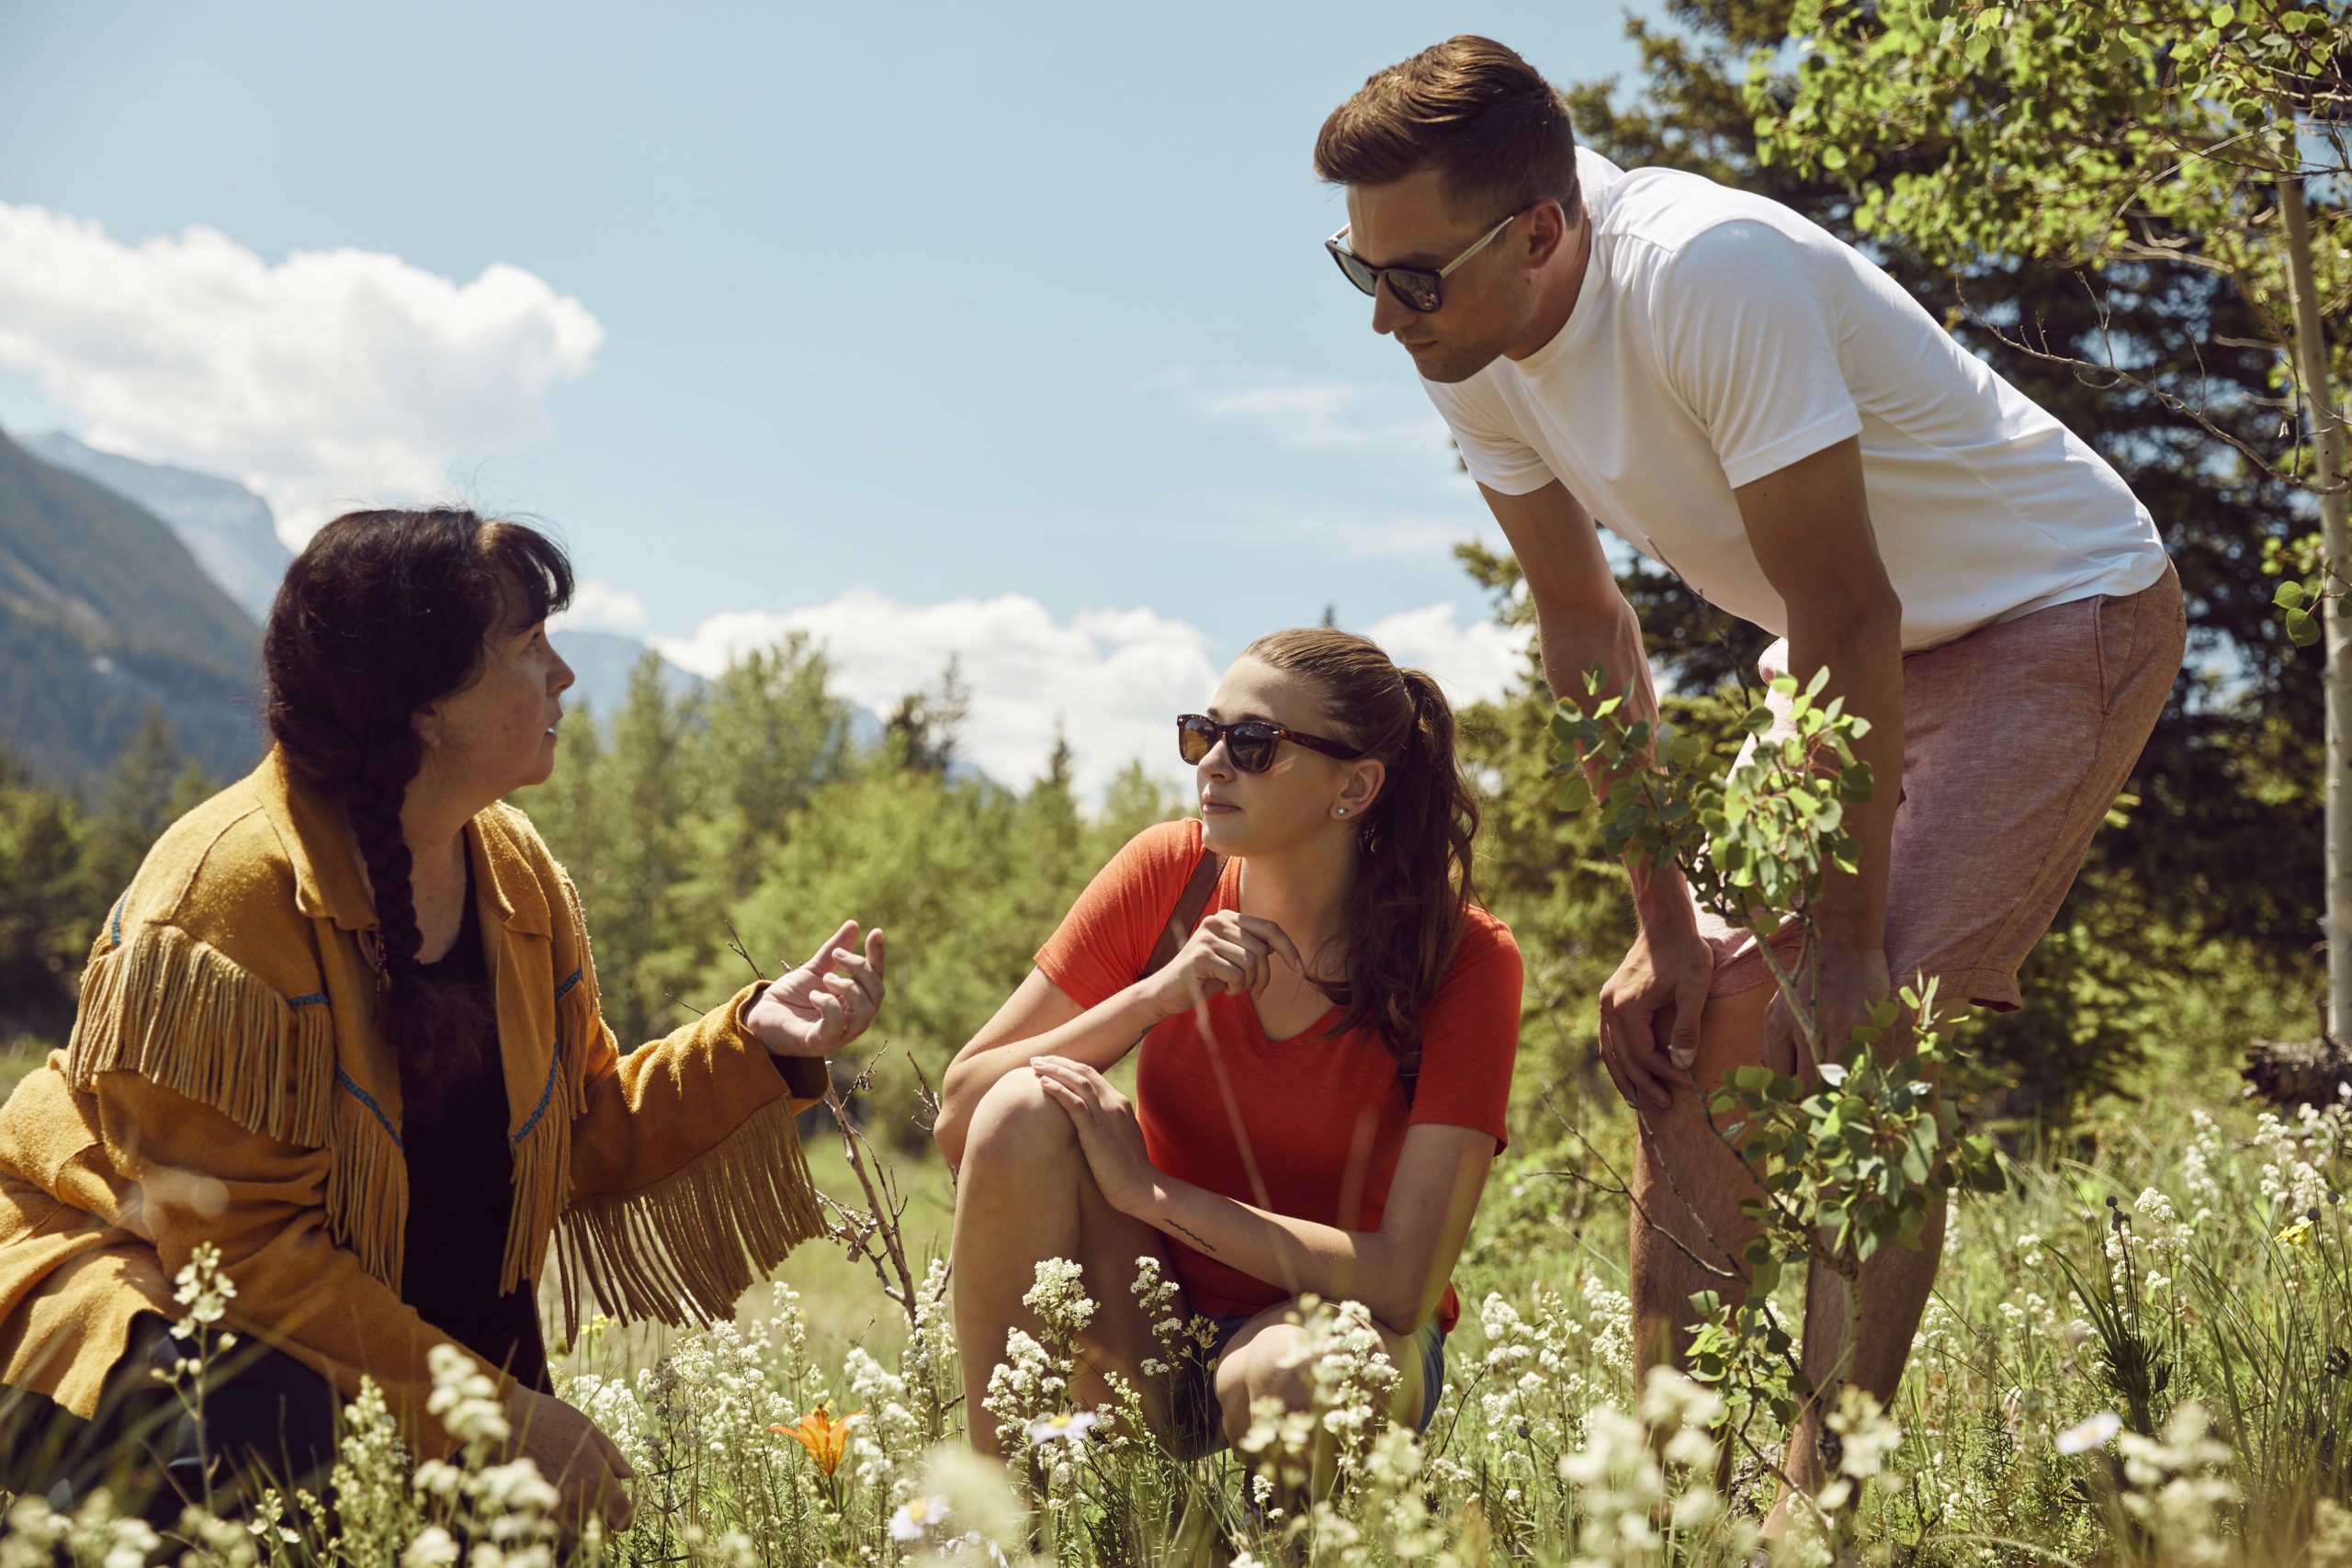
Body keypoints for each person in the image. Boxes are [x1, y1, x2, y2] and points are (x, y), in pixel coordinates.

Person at [1311, 36, 2185, 1518]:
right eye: (1359, 272)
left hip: (2053, 613)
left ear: (1540, 231)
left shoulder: (1710, 274)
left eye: (1413, 279)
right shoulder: (1475, 339)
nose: (1387, 319)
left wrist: (1845, 947)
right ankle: (1674, 1506)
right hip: (1841, 646)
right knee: (1699, 1017)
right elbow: (1586, 625)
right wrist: (1663, 926)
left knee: (1875, 1029)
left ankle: (1816, 1513)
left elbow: (1851, 609)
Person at [0, 509, 886, 1531]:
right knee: (275, 1455)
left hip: (361, 1335)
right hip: (151, 1317)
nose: (561, 677)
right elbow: (232, 1257)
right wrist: (499, 1419)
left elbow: (575, 1130)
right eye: (527, 648)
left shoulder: (509, 866)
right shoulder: (222, 897)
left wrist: (755, 1041)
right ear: (424, 706)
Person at [933, 628, 1521, 1492]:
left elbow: (1402, 1280)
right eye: (1200, 734)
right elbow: (962, 1116)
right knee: (1024, 1105)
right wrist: (1153, 997)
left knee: (1286, 1373)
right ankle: (1002, 1530)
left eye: (1254, 745)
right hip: (1150, 1324)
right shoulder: (1167, 873)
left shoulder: (1464, 959)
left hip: (1336, 1339)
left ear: (1355, 787)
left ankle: (1279, 1543)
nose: (1212, 764)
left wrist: (1153, 1194)